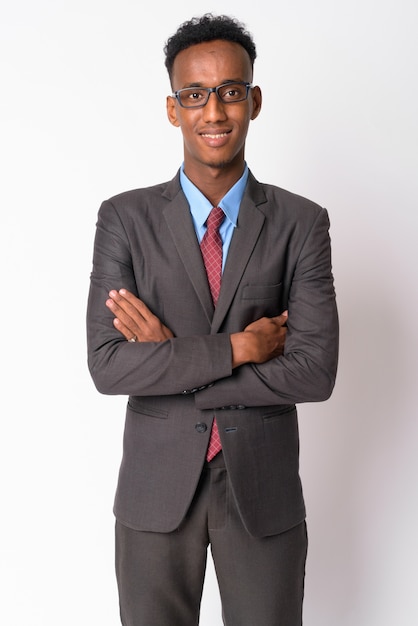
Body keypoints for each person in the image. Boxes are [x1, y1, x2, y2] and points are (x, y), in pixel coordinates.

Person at [87, 13, 339, 626]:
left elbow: (314, 374)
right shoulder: (125, 219)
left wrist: (172, 358)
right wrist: (241, 348)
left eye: (230, 92)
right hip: (154, 491)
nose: (215, 112)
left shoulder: (301, 223)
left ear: (253, 100)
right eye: (195, 95)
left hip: (262, 489)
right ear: (174, 110)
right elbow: (108, 364)